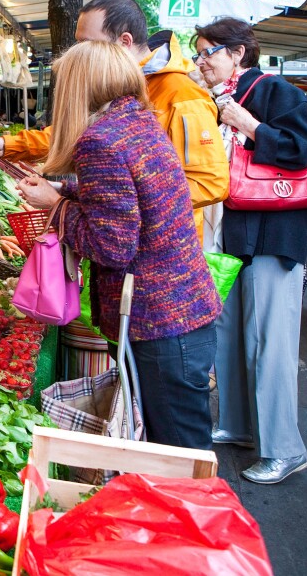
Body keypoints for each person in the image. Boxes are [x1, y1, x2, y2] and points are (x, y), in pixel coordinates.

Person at [17, 40, 222, 450]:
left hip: (157, 323)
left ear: (79, 86)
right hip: (180, 314)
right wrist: (67, 188)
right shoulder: (138, 121)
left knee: (177, 456)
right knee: (181, 447)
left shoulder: (99, 141)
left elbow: (111, 246)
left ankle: (195, 515)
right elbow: (131, 194)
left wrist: (55, 205)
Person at [0, 0, 229, 242]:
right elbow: (75, 135)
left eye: (88, 43)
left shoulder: (182, 95)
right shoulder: (112, 89)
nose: (79, 53)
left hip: (162, 247)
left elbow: (210, 183)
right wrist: (7, 145)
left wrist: (109, 201)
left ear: (124, 42)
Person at [193, 17, 307, 484]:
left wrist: (251, 126)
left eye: (209, 52)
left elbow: (303, 151)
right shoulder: (215, 99)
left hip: (273, 234)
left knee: (270, 340)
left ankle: (285, 448)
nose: (202, 61)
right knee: (230, 334)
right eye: (200, 53)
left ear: (238, 53)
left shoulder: (274, 90)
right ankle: (239, 425)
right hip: (234, 234)